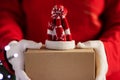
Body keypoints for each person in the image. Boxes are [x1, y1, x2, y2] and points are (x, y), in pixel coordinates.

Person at [0, 0, 120, 80]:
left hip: (97, 73)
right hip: (34, 69)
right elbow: (6, 12)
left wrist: (107, 53)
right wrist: (11, 44)